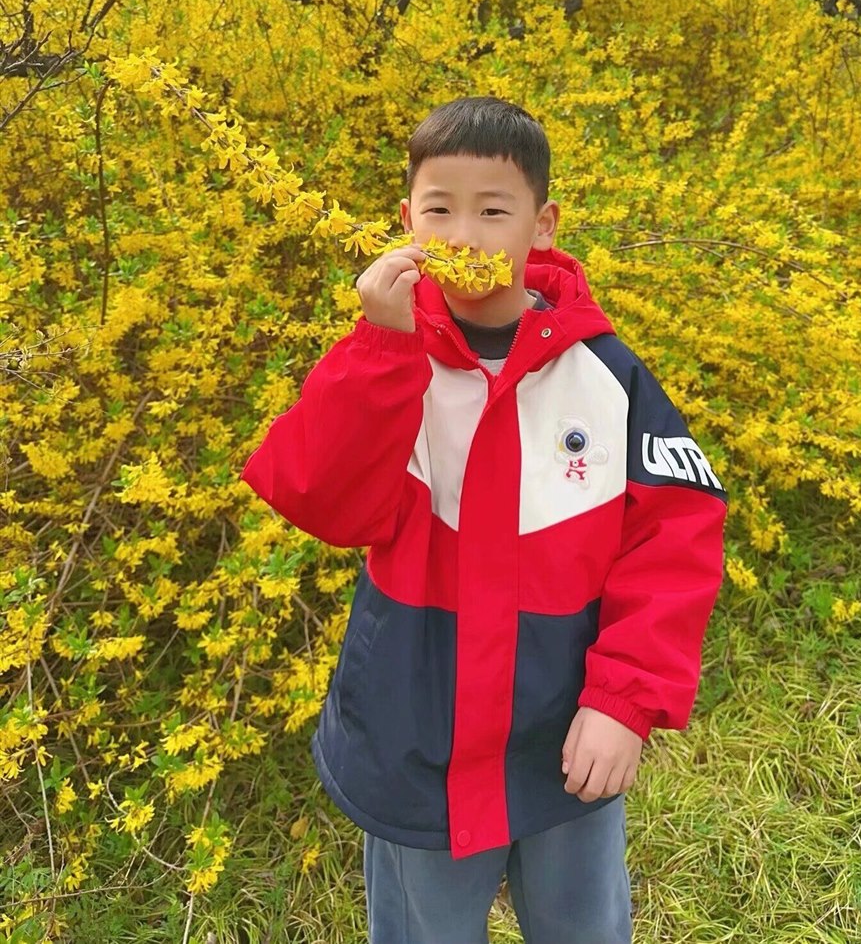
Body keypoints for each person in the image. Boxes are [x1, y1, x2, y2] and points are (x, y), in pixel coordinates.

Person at [240, 95, 728, 944]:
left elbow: (674, 539)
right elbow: (323, 498)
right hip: (415, 742)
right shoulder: (388, 359)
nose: (464, 235)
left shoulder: (603, 375)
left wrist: (625, 700)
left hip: (564, 741)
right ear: (406, 222)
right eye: (440, 210)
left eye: (493, 211)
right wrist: (379, 348)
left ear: (543, 225)